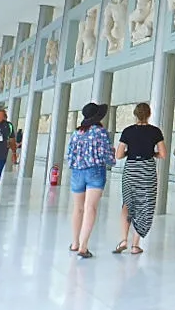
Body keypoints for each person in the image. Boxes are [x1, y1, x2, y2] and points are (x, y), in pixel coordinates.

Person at [113, 102, 165, 255]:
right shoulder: (155, 131)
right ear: (149, 114)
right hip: (147, 170)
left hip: (131, 169)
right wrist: (152, 154)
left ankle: (123, 239)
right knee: (145, 205)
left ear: (135, 115)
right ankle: (135, 245)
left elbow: (119, 155)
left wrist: (130, 152)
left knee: (128, 203)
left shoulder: (127, 131)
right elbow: (163, 154)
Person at [66, 103, 116, 259]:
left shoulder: (76, 133)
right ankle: (83, 246)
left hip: (77, 172)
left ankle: (74, 243)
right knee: (90, 208)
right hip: (95, 171)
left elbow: (69, 155)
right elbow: (106, 155)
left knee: (78, 208)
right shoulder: (100, 132)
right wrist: (112, 158)